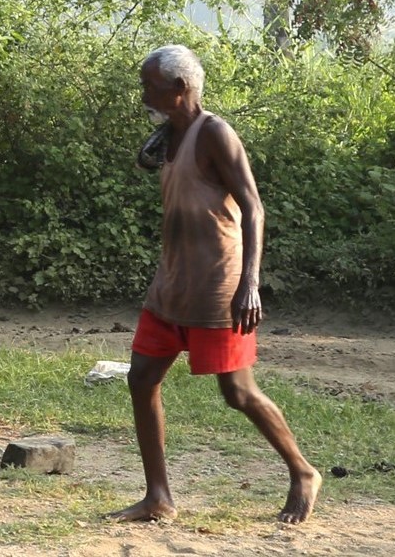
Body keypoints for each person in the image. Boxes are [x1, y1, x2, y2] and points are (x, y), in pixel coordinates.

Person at [111, 43, 320, 525]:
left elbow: (253, 206)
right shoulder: (171, 134)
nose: (143, 93)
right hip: (172, 282)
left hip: (217, 287)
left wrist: (250, 283)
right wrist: (161, 138)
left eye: (150, 86)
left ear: (180, 89)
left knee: (238, 392)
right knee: (141, 377)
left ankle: (303, 472)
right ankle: (158, 496)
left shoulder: (215, 134)